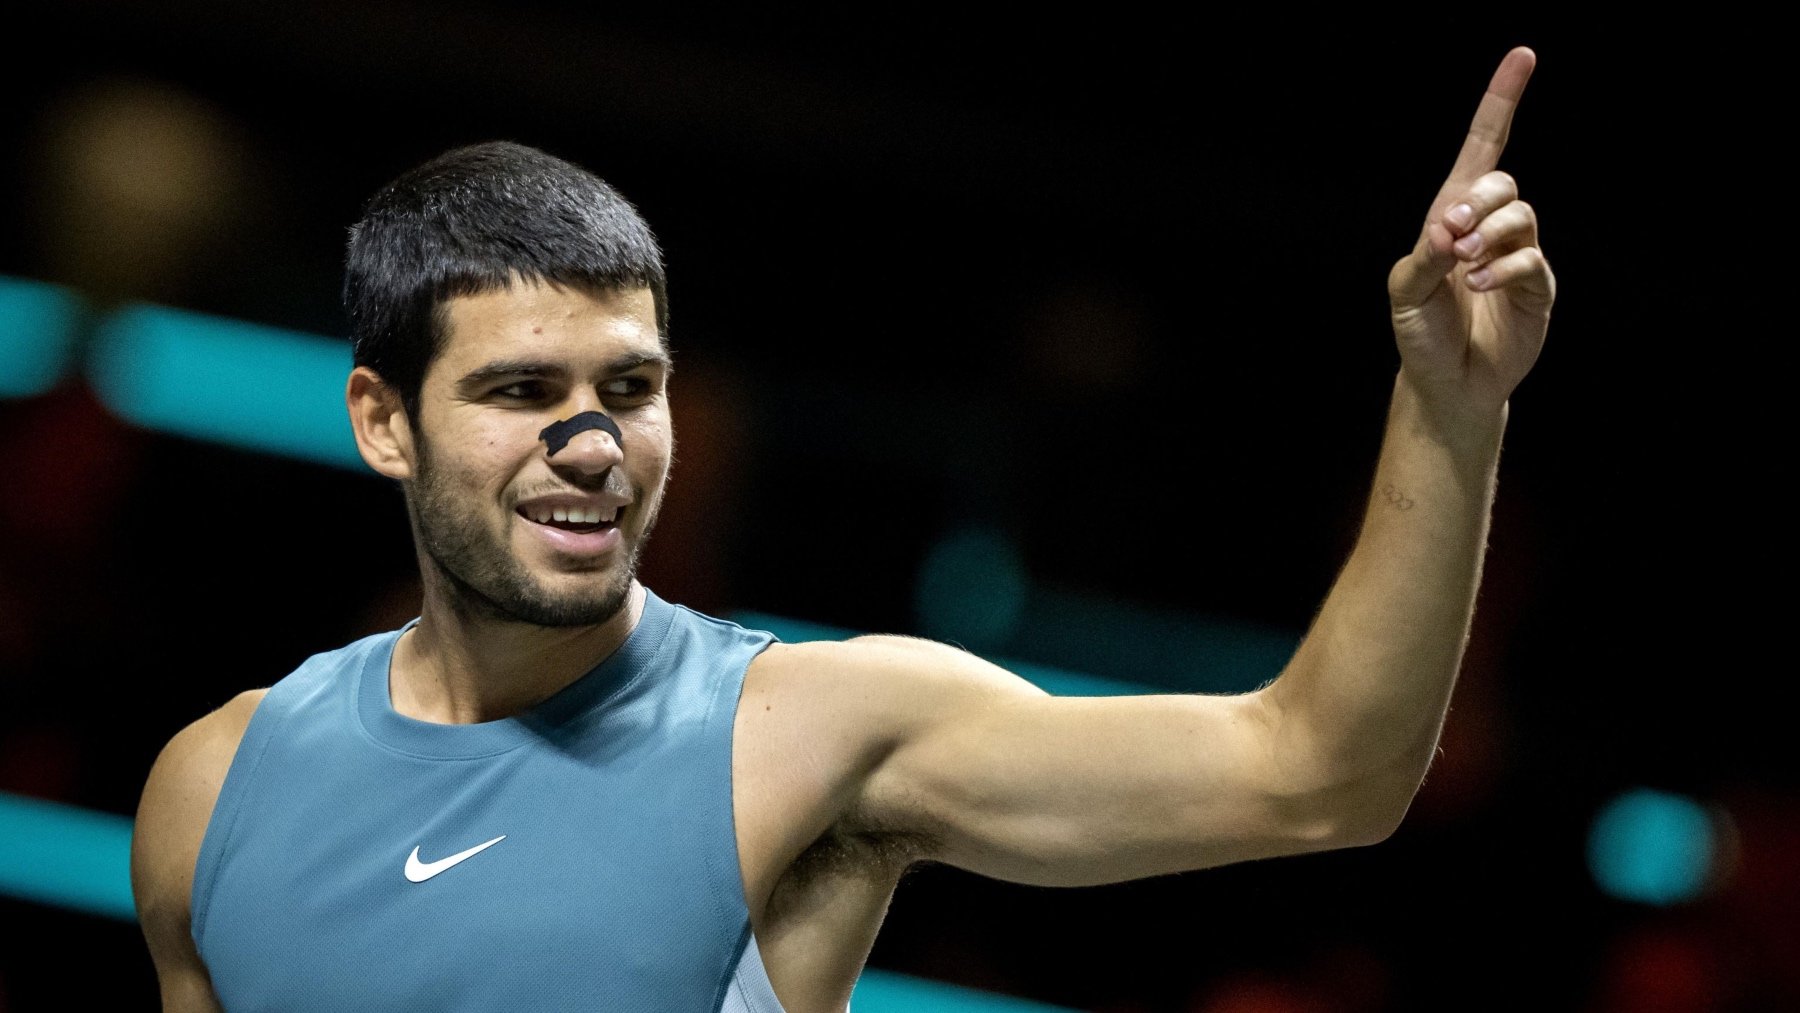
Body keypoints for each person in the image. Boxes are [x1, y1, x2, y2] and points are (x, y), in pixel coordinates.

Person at [130, 46, 1554, 1012]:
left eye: (630, 389)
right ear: (385, 421)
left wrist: (1449, 403)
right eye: (520, 391)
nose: (591, 442)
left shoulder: (814, 729)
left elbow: (1319, 774)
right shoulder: (211, 789)